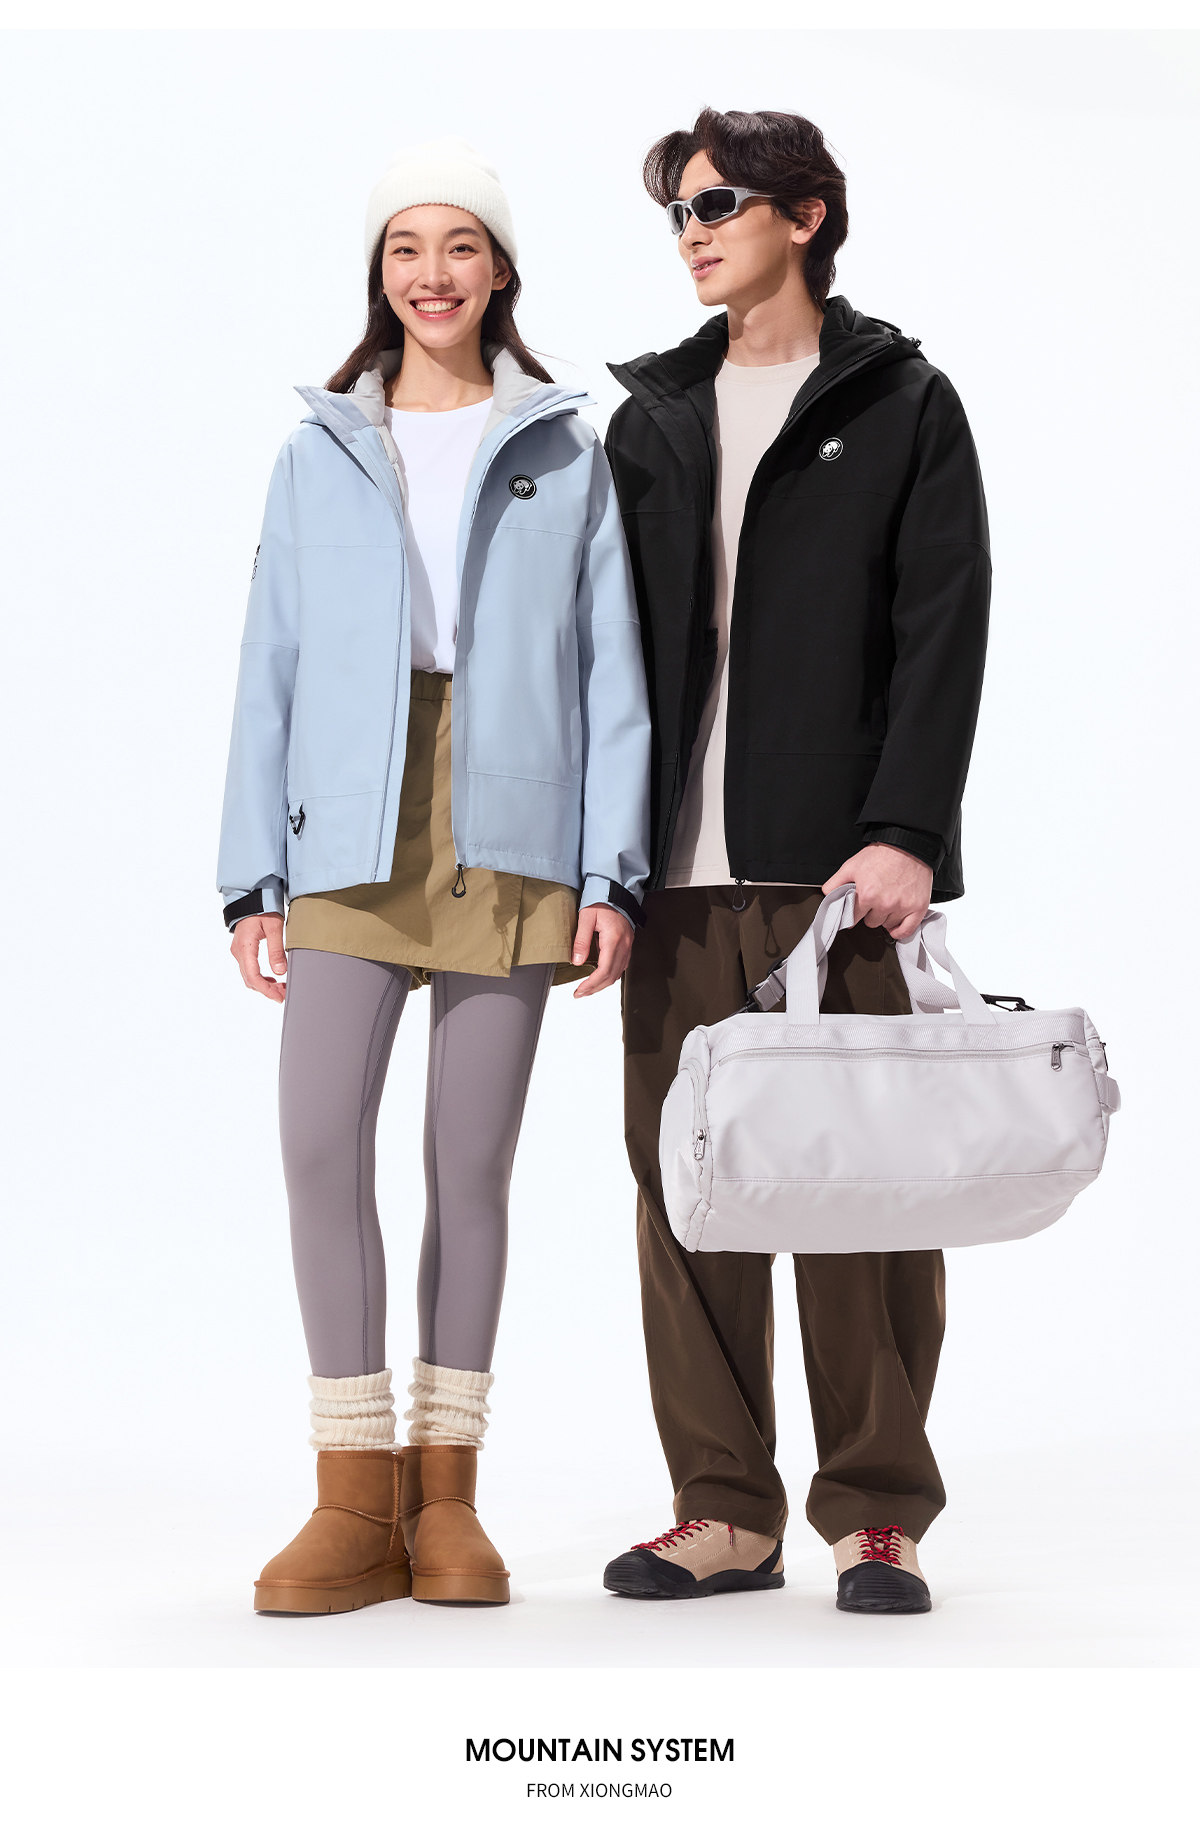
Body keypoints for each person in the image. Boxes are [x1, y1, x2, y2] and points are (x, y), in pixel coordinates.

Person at [216, 137, 650, 1616]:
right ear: (378, 272)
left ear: (501, 269)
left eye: (460, 244)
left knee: (469, 1166)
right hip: (346, 826)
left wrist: (611, 875)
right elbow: (268, 666)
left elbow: (612, 678)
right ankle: (352, 1498)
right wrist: (251, 877)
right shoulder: (318, 450)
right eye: (406, 247)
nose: (433, 273)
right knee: (317, 1145)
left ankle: (447, 1496)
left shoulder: (564, 449)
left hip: (511, 829)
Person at [600, 108, 990, 1614]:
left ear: (805, 215)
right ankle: (723, 1510)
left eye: (717, 204)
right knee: (685, 1192)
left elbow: (943, 625)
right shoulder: (652, 418)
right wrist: (596, 865)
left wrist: (909, 831)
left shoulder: (901, 402)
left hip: (836, 874)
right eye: (678, 213)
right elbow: (604, 654)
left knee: (858, 1192)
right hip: (670, 875)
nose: (692, 233)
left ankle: (877, 1511)